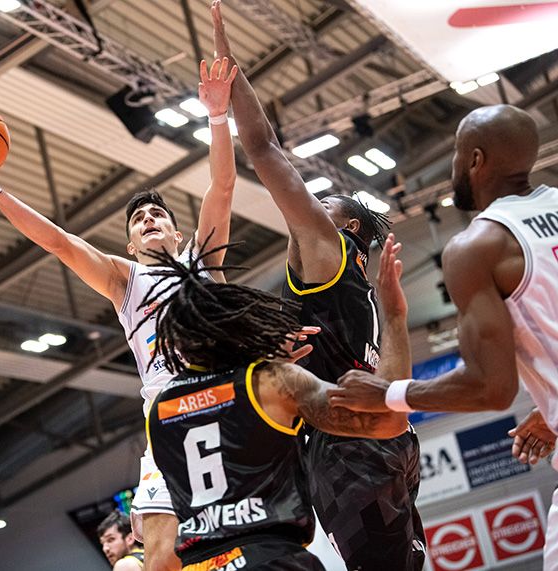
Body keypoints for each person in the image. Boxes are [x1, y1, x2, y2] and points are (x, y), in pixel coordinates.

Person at [0, 58, 239, 571]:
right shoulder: (124, 281)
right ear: (129, 243)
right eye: (139, 219)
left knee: (246, 546)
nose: (148, 219)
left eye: (157, 215)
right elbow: (57, 241)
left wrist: (216, 117)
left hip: (225, 408)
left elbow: (224, 184)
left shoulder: (203, 260)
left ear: (177, 235)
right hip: (165, 421)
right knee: (160, 561)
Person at [209, 2, 424, 569]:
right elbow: (392, 381)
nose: (307, 203)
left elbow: (263, 149)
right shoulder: (358, 284)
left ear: (346, 225)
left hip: (348, 444)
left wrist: (229, 68)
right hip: (391, 441)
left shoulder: (326, 253)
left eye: (323, 201)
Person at [327, 103, 558, 570]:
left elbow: (493, 388)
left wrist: (386, 393)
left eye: (455, 153)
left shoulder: (480, 245)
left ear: (474, 160)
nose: (453, 165)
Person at [141, 234, 411, 571]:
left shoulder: (160, 409)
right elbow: (387, 421)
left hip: (202, 564)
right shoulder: (270, 382)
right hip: (269, 557)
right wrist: (396, 319)